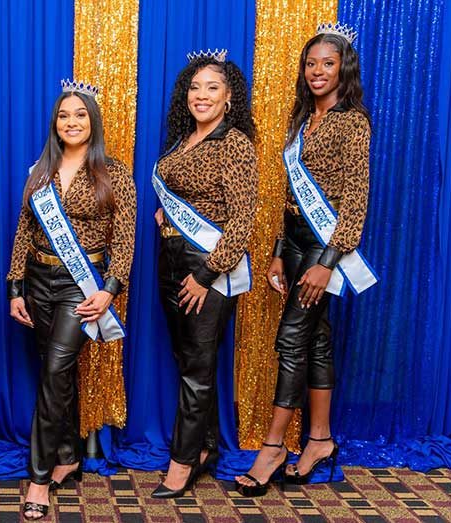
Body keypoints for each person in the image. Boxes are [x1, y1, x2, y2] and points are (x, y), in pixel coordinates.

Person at [235, 23, 376, 497]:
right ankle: (319, 439)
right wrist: (277, 252)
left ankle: (273, 445)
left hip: (323, 245)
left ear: (343, 69)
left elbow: (355, 200)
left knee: (290, 341)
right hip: (294, 240)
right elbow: (290, 194)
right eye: (311, 63)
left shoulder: (352, 121)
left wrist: (328, 261)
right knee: (315, 341)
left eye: (328, 63)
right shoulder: (301, 120)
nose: (318, 71)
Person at [7, 79, 136, 520]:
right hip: (38, 281)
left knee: (56, 368)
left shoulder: (114, 172)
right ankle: (68, 454)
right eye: (64, 115)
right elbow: (23, 230)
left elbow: (126, 240)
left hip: (82, 287)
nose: (72, 121)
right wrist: (14, 287)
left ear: (93, 122)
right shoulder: (40, 170)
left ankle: (39, 478)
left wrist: (110, 289)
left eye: (80, 114)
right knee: (53, 372)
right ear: (55, 123)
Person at [151, 50, 258, 498]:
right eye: (195, 87)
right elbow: (183, 192)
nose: (201, 95)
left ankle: (181, 462)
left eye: (212, 87)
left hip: (207, 266)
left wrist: (206, 274)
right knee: (188, 360)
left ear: (229, 96)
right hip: (171, 257)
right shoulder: (183, 141)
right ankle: (204, 446)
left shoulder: (234, 143)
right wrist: (165, 214)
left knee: (197, 365)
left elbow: (242, 219)